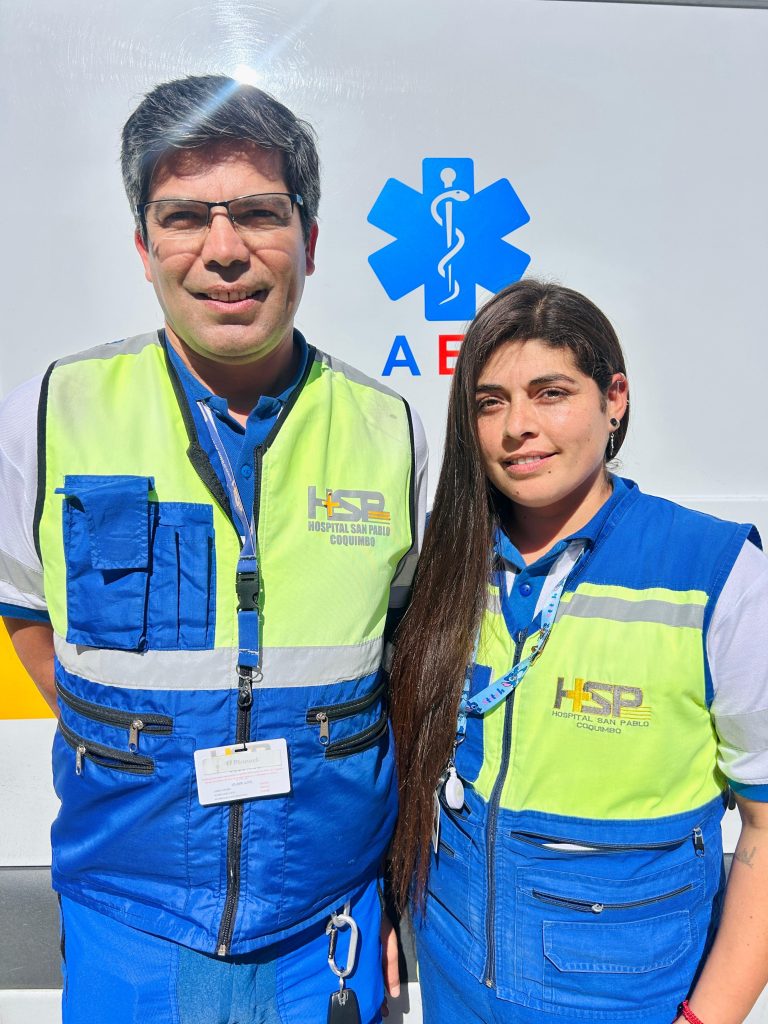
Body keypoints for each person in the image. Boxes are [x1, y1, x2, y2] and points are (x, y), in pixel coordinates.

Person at [0, 74, 426, 1023]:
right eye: (185, 217)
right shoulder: (50, 411)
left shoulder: (389, 428)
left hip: (328, 924)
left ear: (310, 240)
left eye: (260, 214)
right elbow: (26, 613)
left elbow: (406, 663)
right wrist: (136, 752)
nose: (224, 251)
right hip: (130, 917)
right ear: (143, 245)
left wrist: (393, 882)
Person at [388, 279, 768, 1024]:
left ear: (613, 399)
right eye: (490, 402)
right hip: (456, 976)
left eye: (551, 393)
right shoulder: (443, 557)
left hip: (628, 997)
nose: (517, 427)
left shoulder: (714, 570)